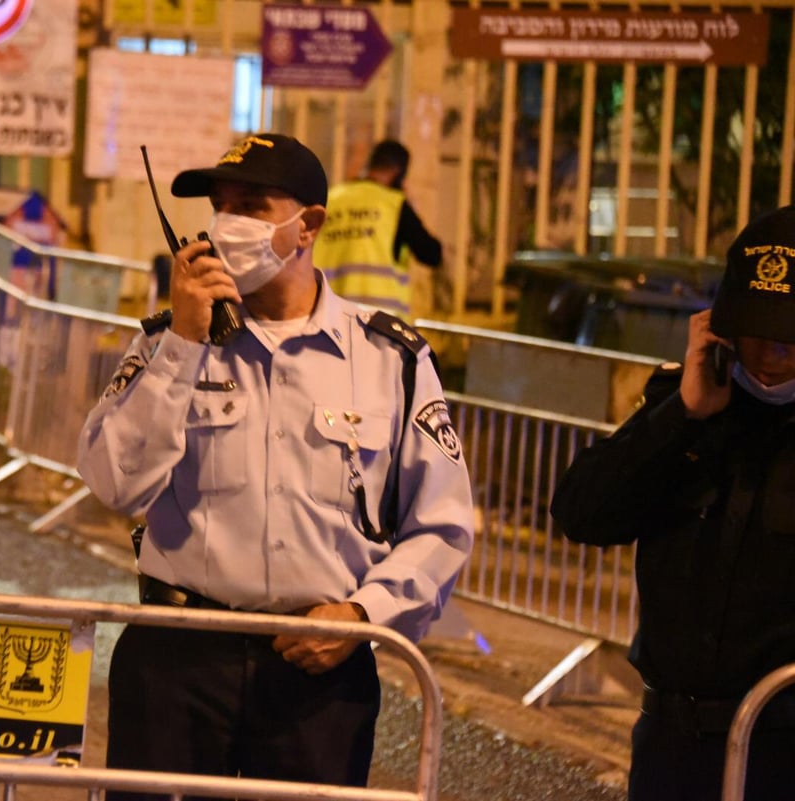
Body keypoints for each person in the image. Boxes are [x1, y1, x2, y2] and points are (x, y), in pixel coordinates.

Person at [76, 132, 473, 797]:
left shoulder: (390, 359)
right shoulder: (168, 342)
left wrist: (363, 613)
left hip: (318, 676)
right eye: (219, 206)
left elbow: (442, 525)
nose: (227, 224)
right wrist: (184, 342)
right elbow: (115, 482)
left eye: (251, 205)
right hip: (178, 660)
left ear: (308, 224)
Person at [550, 204, 795, 801]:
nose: (767, 357)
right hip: (672, 746)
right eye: (755, 334)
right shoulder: (685, 406)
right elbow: (581, 513)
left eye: (788, 340)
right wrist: (680, 417)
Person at [314, 139, 443, 315]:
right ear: (398, 172)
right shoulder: (394, 204)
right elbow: (431, 254)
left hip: (327, 315)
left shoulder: (331, 199)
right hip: (379, 324)